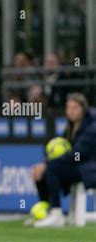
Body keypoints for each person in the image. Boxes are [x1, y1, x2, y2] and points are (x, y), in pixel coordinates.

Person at [32, 93, 96, 227]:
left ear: (83, 109)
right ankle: (48, 210)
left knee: (51, 168)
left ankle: (57, 214)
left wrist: (47, 164)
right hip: (79, 167)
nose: (71, 111)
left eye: (75, 108)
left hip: (90, 169)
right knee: (41, 172)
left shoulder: (92, 127)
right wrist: (44, 164)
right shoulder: (70, 127)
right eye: (68, 108)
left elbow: (78, 154)